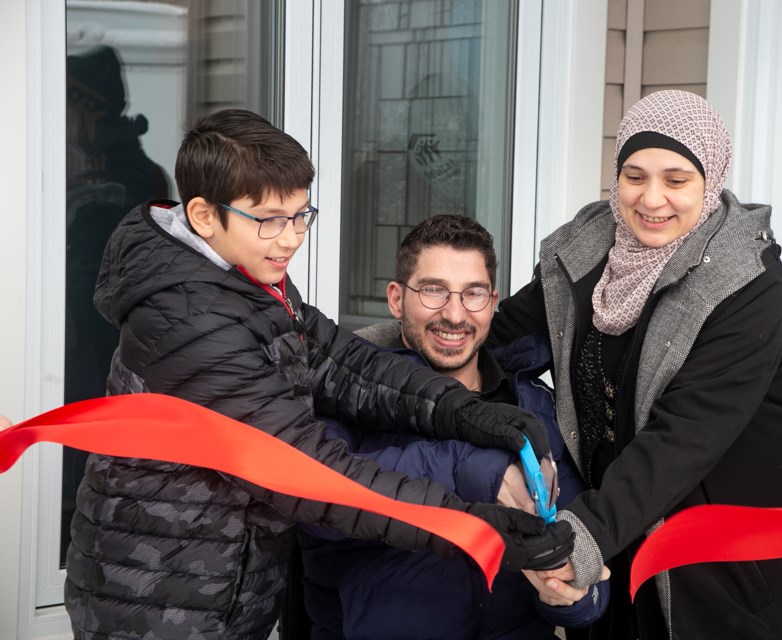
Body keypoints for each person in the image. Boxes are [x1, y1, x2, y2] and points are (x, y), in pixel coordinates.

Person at [65, 109, 572, 640]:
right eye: (268, 219)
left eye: (300, 215)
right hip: (154, 599)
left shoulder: (245, 279)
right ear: (203, 215)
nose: (289, 239)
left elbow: (347, 365)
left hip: (214, 584)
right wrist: (475, 525)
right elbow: (305, 471)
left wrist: (468, 413)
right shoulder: (190, 319)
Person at [488, 90, 782, 639]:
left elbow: (684, 436)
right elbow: (492, 336)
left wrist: (586, 534)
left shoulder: (745, 282)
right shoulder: (589, 253)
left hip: (747, 546)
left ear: (709, 181)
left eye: (676, 180)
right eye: (634, 175)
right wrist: (361, 355)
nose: (651, 199)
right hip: (637, 520)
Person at [296, 215, 609, 639]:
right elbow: (316, 507)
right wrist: (477, 472)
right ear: (395, 298)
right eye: (433, 290)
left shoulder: (533, 405)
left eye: (473, 294)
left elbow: (578, 545)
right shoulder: (345, 397)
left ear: (493, 303)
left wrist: (572, 591)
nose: (455, 314)